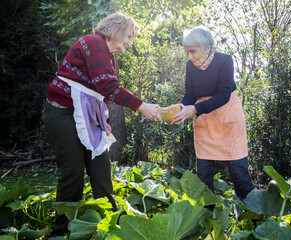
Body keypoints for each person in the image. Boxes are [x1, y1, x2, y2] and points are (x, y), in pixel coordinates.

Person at [42, 12, 161, 236]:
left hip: (89, 118)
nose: (129, 42)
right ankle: (61, 231)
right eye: (128, 36)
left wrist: (105, 122)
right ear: (115, 29)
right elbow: (107, 85)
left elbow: (98, 95)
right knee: (73, 173)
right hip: (62, 113)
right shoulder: (93, 43)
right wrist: (142, 106)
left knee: (101, 171)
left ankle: (109, 226)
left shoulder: (109, 57)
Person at [172, 26, 254, 203]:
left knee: (238, 171)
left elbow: (224, 95)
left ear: (207, 47)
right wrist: (180, 109)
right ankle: (205, 219)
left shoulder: (225, 60)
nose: (189, 57)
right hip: (204, 121)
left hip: (228, 117)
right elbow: (190, 95)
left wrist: (194, 109)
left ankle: (254, 218)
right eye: (187, 52)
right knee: (203, 175)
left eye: (193, 51)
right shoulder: (190, 66)